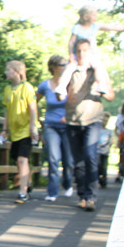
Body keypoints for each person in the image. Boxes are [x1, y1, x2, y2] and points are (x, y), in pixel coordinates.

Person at [65, 38, 116, 212]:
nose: (81, 54)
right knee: (78, 161)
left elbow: (111, 96)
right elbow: (60, 93)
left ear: (90, 52)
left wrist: (104, 92)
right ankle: (82, 196)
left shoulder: (99, 70)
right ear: (75, 52)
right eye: (78, 51)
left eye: (85, 51)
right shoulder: (70, 69)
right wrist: (64, 95)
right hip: (73, 120)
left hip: (93, 119)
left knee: (90, 155)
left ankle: (91, 197)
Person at [55, 5, 124, 99]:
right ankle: (62, 87)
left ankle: (101, 84)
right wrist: (71, 55)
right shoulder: (77, 28)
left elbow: (109, 27)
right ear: (86, 17)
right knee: (69, 68)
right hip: (77, 55)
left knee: (98, 67)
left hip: (91, 54)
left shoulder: (95, 26)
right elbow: (71, 42)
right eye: (94, 15)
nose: (96, 17)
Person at [36, 55, 74, 202]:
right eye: (61, 65)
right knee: (53, 158)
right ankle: (52, 192)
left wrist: (69, 116)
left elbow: (76, 102)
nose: (64, 67)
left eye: (65, 65)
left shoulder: (70, 83)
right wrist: (39, 120)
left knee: (68, 160)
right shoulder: (45, 85)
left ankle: (68, 183)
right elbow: (33, 101)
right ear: (53, 67)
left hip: (67, 126)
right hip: (51, 125)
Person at [2, 60, 39, 204]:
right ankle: (28, 183)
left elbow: (33, 108)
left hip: (26, 130)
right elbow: (7, 110)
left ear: (17, 72)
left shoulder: (27, 87)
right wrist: (4, 130)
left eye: (8, 70)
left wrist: (32, 127)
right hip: (14, 131)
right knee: (17, 160)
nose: (6, 72)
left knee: (22, 159)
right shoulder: (8, 89)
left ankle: (23, 192)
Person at [97, 112, 113, 189]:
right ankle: (98, 178)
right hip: (97, 151)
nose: (104, 122)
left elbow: (113, 139)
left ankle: (103, 180)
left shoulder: (108, 131)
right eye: (103, 120)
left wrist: (110, 143)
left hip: (105, 151)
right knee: (98, 165)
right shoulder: (97, 130)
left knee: (104, 167)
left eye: (106, 120)